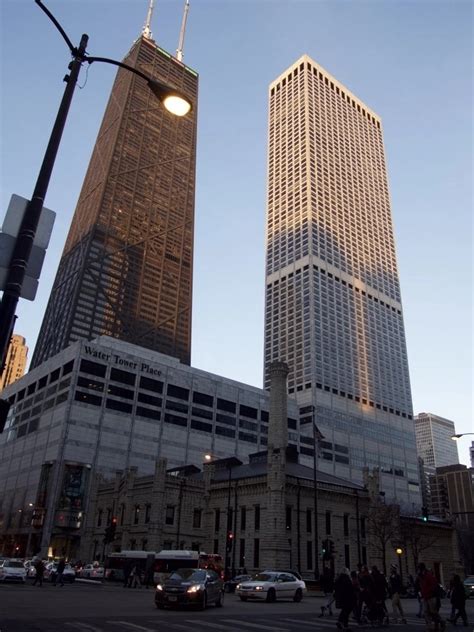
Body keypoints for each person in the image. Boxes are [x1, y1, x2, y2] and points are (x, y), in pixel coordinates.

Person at [418, 563, 446, 632]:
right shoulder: (421, 576)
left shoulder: (428, 575)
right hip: (425, 597)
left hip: (431, 596)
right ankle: (429, 627)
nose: (418, 570)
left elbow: (434, 585)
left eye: (418, 568)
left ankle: (441, 621)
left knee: (433, 612)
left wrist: (428, 591)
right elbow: (421, 586)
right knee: (426, 612)